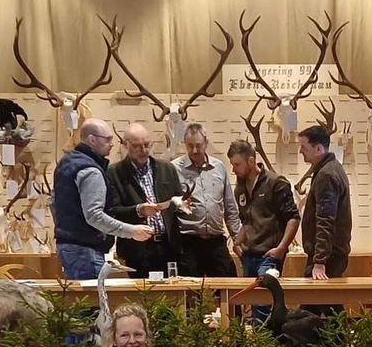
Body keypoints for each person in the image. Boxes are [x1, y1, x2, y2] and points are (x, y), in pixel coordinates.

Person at [52, 118, 153, 280]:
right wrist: (132, 231)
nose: (112, 144)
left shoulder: (66, 164)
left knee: (82, 302)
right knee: (95, 302)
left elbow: (53, 204)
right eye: (108, 140)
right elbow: (94, 216)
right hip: (86, 250)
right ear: (92, 140)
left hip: (69, 247)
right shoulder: (90, 170)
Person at [230, 139, 300, 321]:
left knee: (266, 304)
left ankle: (271, 346)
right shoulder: (240, 188)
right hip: (248, 255)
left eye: (237, 164)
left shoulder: (276, 183)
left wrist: (282, 248)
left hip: (269, 255)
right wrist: (237, 242)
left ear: (251, 161)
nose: (234, 170)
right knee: (254, 305)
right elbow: (247, 220)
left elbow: (293, 218)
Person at [106, 122, 187, 277]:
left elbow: (177, 200)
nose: (143, 150)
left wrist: (183, 205)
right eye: (137, 146)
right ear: (125, 145)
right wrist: (139, 210)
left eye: (147, 145)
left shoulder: (166, 168)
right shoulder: (114, 173)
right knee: (144, 297)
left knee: (173, 296)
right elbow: (113, 211)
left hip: (168, 246)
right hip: (138, 250)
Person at [172, 123, 241, 277]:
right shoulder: (174, 169)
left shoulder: (219, 167)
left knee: (226, 286)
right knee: (190, 292)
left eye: (198, 145)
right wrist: (177, 205)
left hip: (215, 241)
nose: (194, 150)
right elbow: (166, 205)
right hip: (188, 242)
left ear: (206, 143)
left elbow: (230, 208)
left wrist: (237, 239)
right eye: (190, 146)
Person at [298, 124, 352, 280]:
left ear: (318, 149)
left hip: (328, 258)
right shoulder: (332, 169)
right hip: (330, 254)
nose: (301, 151)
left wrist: (320, 261)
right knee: (328, 303)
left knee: (316, 302)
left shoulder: (326, 175)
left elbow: (325, 220)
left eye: (304, 147)